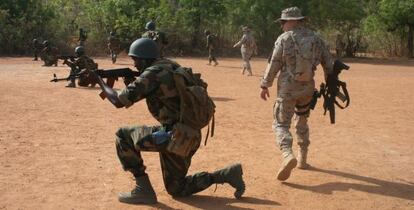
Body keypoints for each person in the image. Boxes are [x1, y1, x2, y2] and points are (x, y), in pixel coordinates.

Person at [91, 38, 245, 204]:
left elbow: (118, 101)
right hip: (188, 136)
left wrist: (99, 81)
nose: (135, 64)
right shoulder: (171, 65)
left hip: (173, 136)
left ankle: (143, 190)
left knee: (123, 136)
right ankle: (225, 175)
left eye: (135, 60)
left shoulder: (152, 73)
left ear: (144, 59)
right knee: (176, 188)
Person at [260, 7, 333, 181]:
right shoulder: (316, 39)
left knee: (280, 124)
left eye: (283, 22)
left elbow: (274, 64)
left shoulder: (284, 39)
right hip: (307, 89)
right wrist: (330, 83)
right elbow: (329, 63)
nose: (282, 25)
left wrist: (265, 84)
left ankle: (287, 154)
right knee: (301, 119)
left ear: (292, 21)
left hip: (287, 89)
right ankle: (302, 159)